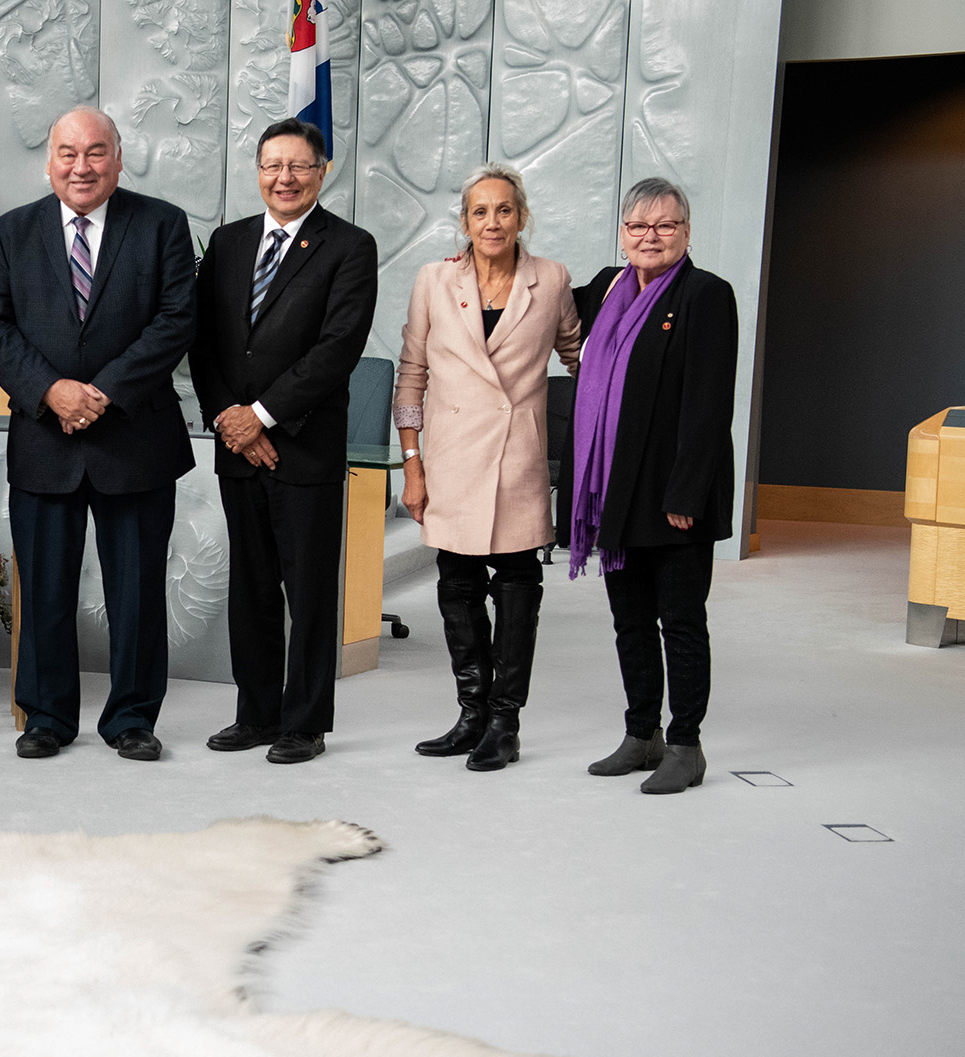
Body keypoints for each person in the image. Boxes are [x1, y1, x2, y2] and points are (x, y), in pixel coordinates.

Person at [0, 107, 197, 762]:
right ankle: (45, 715)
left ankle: (131, 717)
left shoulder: (161, 225)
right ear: (49, 162)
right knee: (43, 589)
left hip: (134, 437)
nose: (82, 165)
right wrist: (52, 392)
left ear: (119, 159)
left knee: (136, 592)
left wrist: (102, 393)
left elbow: (176, 319)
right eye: (68, 153)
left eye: (96, 152)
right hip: (46, 438)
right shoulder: (12, 232)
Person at [190, 118, 377, 765]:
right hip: (237, 449)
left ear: (322, 172)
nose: (285, 178)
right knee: (251, 588)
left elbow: (336, 350)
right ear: (259, 170)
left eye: (299, 166)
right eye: (273, 165)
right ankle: (256, 711)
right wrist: (228, 419)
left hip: (304, 447)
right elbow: (204, 341)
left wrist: (262, 417)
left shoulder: (350, 248)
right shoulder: (228, 241)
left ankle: (304, 721)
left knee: (310, 591)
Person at [392, 163, 582, 772]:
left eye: (504, 210)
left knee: (520, 584)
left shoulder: (551, 280)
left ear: (522, 216)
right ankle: (471, 713)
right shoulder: (433, 280)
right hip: (449, 459)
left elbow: (582, 359)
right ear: (465, 221)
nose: (492, 222)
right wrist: (412, 463)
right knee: (458, 584)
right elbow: (411, 376)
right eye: (480, 211)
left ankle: (505, 721)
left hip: (518, 458)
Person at [567, 177, 738, 795]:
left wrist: (686, 496)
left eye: (665, 226)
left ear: (686, 233)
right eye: (638, 226)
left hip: (672, 497)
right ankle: (642, 734)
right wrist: (473, 254)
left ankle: (686, 745)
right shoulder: (606, 290)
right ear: (622, 232)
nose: (651, 237)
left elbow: (709, 404)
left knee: (681, 620)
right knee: (630, 620)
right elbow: (531, 286)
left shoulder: (706, 294)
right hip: (616, 489)